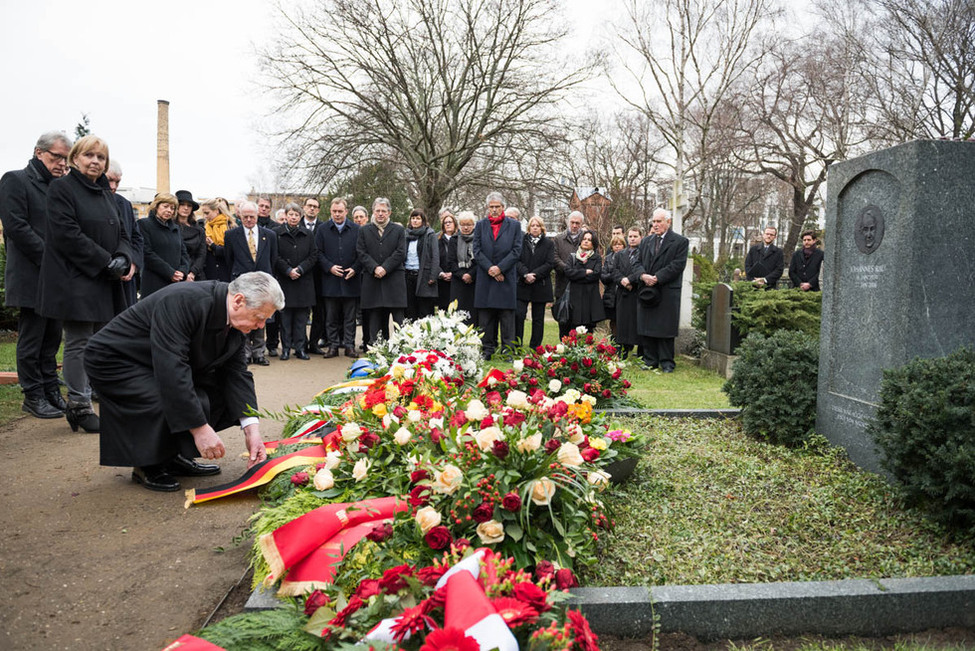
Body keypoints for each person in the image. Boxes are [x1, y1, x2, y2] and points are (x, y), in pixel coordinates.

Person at [86, 272, 282, 492]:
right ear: (238, 301)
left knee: (219, 396)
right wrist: (199, 429)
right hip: (116, 361)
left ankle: (171, 456)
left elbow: (237, 374)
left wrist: (252, 432)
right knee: (166, 398)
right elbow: (172, 370)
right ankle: (147, 464)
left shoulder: (235, 319)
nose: (261, 325)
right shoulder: (183, 301)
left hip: (154, 361)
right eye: (259, 317)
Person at [38, 134, 132, 432]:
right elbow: (67, 234)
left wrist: (124, 257)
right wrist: (105, 261)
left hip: (106, 280)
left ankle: (96, 394)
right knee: (79, 342)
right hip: (76, 279)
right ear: (75, 158)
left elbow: (124, 233)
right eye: (89, 155)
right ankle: (79, 406)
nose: (95, 161)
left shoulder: (106, 193)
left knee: (102, 342)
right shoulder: (61, 189)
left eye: (100, 157)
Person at [0, 131, 72, 419]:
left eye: (66, 160)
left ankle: (50, 390)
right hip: (31, 273)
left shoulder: (60, 186)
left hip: (56, 277)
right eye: (57, 157)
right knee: (33, 338)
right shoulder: (15, 180)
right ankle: (33, 394)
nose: (61, 164)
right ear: (38, 152)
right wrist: (51, 259)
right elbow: (16, 226)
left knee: (52, 336)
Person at [225, 200, 278, 365]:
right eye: (245, 216)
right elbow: (229, 259)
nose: (248, 219)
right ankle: (245, 353)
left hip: (262, 283)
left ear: (257, 216)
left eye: (252, 216)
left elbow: (273, 258)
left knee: (261, 316)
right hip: (241, 282)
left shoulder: (269, 235)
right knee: (244, 317)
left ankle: (259, 353)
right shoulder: (231, 235)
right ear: (240, 216)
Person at [636, 208, 688, 373]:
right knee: (648, 325)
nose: (656, 225)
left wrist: (657, 277)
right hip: (647, 290)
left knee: (665, 327)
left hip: (666, 290)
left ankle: (666, 362)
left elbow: (677, 265)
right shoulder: (646, 241)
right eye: (654, 221)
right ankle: (650, 360)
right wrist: (643, 275)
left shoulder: (680, 242)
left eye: (659, 221)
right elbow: (637, 262)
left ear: (668, 222)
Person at [472, 192, 522, 359]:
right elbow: (477, 251)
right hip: (486, 278)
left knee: (506, 316)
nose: (494, 210)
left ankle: (507, 349)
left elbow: (516, 251)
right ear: (488, 208)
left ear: (503, 207)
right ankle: (487, 349)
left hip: (506, 278)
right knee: (486, 317)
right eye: (491, 207)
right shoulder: (480, 225)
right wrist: (491, 269)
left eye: (497, 207)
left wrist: (500, 269)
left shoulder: (514, 226)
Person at [357, 197, 407, 344]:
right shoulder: (364, 230)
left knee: (398, 319)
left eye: (383, 211)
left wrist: (385, 267)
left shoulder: (398, 230)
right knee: (374, 317)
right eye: (377, 210)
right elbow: (361, 252)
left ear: (389, 212)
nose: (380, 214)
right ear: (373, 212)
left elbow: (400, 252)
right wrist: (374, 268)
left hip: (394, 280)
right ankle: (375, 347)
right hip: (373, 280)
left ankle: (402, 348)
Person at [273, 202, 317, 360]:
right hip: (285, 281)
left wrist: (300, 269)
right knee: (285, 319)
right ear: (286, 215)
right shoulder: (276, 233)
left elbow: (313, 255)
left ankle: (300, 348)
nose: (293, 217)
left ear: (300, 217)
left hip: (303, 281)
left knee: (301, 319)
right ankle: (285, 349)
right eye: (291, 214)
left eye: (296, 215)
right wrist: (288, 270)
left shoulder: (308, 234)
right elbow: (275, 256)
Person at [318, 197, 361, 358]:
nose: (337, 214)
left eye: (340, 211)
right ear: (330, 211)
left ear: (346, 211)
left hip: (351, 280)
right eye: (334, 211)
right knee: (331, 317)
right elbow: (318, 252)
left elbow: (361, 252)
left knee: (350, 317)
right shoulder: (322, 229)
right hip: (331, 280)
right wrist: (329, 267)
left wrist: (355, 268)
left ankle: (349, 346)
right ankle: (333, 346)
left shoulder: (356, 229)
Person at [106, 161, 143, 307]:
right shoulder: (85, 201)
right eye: (109, 180)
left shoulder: (125, 204)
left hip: (126, 278)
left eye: (117, 182)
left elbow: (136, 237)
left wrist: (133, 263)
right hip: (102, 275)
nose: (114, 187)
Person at [139, 193, 190, 298]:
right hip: (154, 281)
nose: (169, 210)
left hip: (175, 282)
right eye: (165, 206)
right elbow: (147, 253)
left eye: (172, 208)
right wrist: (170, 273)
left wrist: (182, 271)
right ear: (156, 206)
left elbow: (183, 253)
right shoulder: (144, 224)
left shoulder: (176, 228)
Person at [516, 216, 554, 349]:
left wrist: (535, 275)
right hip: (523, 283)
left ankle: (535, 346)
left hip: (540, 284)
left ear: (542, 227)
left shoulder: (549, 243)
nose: (535, 228)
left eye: (538, 225)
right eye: (533, 225)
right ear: (529, 227)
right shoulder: (521, 241)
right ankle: (517, 344)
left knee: (538, 318)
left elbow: (550, 263)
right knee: (519, 315)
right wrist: (525, 274)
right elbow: (517, 260)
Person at [563, 231, 605, 336]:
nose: (586, 241)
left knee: (588, 330)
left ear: (593, 243)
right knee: (573, 329)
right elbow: (568, 272)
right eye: (584, 239)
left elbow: (595, 275)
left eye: (589, 240)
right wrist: (585, 272)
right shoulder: (573, 257)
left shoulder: (596, 258)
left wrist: (577, 276)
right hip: (575, 297)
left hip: (590, 298)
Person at [301, 197, 327, 355]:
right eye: (309, 206)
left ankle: (314, 343)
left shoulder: (323, 227)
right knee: (302, 312)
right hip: (301, 275)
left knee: (319, 312)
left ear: (318, 210)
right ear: (304, 207)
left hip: (319, 275)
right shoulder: (295, 225)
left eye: (315, 207)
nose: (311, 209)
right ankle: (301, 343)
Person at [404, 209, 439, 320]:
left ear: (423, 220)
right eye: (413, 218)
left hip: (424, 275)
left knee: (425, 311)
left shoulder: (430, 234)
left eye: (418, 218)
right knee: (410, 310)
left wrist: (433, 276)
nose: (415, 221)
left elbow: (435, 255)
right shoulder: (406, 234)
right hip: (408, 274)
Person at [615, 227, 643, 359]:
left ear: (640, 237)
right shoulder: (620, 254)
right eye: (630, 236)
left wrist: (631, 280)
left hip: (637, 292)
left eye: (635, 236)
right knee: (623, 323)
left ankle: (640, 351)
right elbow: (614, 270)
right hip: (623, 293)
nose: (632, 239)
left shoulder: (643, 253)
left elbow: (643, 269)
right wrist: (622, 280)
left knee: (637, 323)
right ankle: (623, 350)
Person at [447, 211, 478, 325]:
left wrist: (470, 274)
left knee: (473, 312)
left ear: (473, 225)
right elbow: (451, 261)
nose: (465, 227)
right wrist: (462, 275)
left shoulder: (478, 239)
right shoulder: (454, 240)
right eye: (463, 224)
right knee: (458, 311)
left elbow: (479, 260)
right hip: (458, 280)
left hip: (474, 280)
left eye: (468, 224)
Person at [553, 211, 587, 302]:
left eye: (577, 223)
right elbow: (555, 258)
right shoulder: (558, 239)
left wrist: (578, 272)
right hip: (562, 282)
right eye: (572, 222)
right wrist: (568, 269)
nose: (574, 225)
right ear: (568, 222)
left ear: (581, 224)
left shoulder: (587, 239)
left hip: (581, 284)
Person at [201, 198, 235, 282]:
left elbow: (231, 252)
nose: (205, 216)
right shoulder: (204, 227)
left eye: (207, 213)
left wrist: (213, 246)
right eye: (204, 213)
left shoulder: (230, 226)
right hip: (209, 274)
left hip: (227, 273)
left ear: (216, 211)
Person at [175, 190, 206, 282]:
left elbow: (201, 254)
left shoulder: (199, 230)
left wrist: (192, 273)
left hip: (196, 275)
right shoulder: (170, 228)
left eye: (189, 206)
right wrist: (182, 273)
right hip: (176, 274)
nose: (186, 208)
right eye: (182, 205)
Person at [601, 234, 626, 341]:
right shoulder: (608, 258)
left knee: (623, 320)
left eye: (619, 244)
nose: (617, 246)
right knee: (613, 320)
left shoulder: (627, 257)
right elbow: (603, 276)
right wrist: (614, 275)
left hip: (623, 293)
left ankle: (623, 343)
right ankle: (614, 341)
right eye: (615, 244)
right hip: (611, 294)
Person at [744, 225, 784, 290]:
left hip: (770, 287)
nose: (769, 236)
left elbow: (779, 270)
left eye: (771, 235)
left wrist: (765, 280)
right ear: (763, 235)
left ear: (775, 237)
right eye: (767, 234)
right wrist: (753, 280)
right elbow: (747, 266)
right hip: (753, 286)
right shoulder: (753, 249)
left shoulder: (778, 252)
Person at [436, 209, 457, 311]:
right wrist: (441, 273)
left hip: (457, 279)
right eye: (445, 221)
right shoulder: (436, 239)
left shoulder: (460, 238)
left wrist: (454, 273)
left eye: (450, 221)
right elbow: (433, 259)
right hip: (441, 281)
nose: (448, 224)